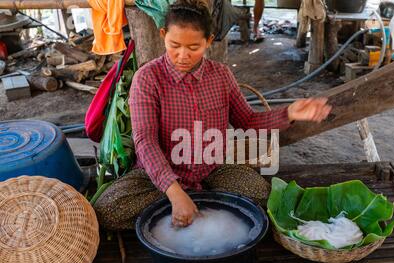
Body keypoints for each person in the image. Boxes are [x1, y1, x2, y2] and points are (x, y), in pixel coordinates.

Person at [93, 0, 331, 230]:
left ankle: (188, 204)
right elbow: (145, 141)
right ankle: (187, 202)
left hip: (212, 170)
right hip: (159, 177)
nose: (182, 55)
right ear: (162, 34)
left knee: (262, 197)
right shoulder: (148, 78)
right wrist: (174, 191)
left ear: (208, 41)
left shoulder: (221, 76)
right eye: (174, 45)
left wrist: (289, 113)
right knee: (108, 210)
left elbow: (246, 121)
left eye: (193, 47)